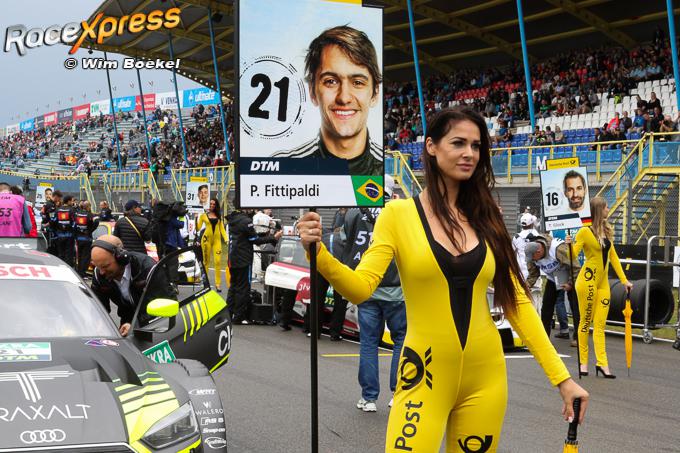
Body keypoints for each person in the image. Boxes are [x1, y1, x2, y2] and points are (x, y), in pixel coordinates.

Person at [297, 107, 588, 451]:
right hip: (423, 373)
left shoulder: (488, 216)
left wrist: (563, 379)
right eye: (458, 143)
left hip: (486, 379)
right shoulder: (397, 215)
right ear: (431, 146)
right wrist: (318, 254)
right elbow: (361, 289)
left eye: (476, 146)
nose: (469, 154)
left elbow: (518, 303)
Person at [272, 26, 383, 176]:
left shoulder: (390, 169)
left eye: (357, 82)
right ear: (312, 92)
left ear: (375, 93)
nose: (344, 98)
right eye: (331, 81)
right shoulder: (282, 168)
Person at [342, 176, 406, 413]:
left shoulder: (353, 213)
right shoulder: (399, 211)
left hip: (365, 284)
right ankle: (398, 393)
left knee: (369, 342)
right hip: (397, 287)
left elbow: (345, 241)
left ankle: (368, 397)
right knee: (401, 340)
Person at [568, 197, 632, 379]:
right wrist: (569, 244)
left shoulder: (606, 230)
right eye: (606, 207)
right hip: (587, 281)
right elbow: (572, 255)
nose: (608, 209)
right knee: (585, 322)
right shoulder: (584, 231)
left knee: (600, 325)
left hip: (603, 283)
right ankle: (583, 362)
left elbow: (613, 258)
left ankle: (602, 363)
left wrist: (624, 281)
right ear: (598, 210)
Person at [90, 235, 170, 336]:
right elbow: (98, 309)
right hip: (127, 324)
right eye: (98, 266)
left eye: (105, 266)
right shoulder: (99, 275)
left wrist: (135, 326)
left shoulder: (148, 269)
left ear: (121, 258)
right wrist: (97, 325)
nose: (101, 272)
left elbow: (164, 308)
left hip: (157, 326)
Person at [226, 209, 282, 324]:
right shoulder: (246, 221)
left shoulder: (232, 219)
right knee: (243, 288)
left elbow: (247, 238)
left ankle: (228, 313)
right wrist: (273, 237)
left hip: (233, 258)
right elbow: (255, 240)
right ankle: (239, 317)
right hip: (243, 260)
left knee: (233, 287)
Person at [525, 234, 581, 347]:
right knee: (546, 308)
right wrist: (525, 287)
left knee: (575, 307)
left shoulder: (557, 249)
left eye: (534, 258)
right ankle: (544, 338)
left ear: (539, 251)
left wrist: (570, 283)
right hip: (553, 278)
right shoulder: (532, 256)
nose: (533, 260)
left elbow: (575, 267)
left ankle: (578, 337)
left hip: (571, 275)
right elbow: (533, 275)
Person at [196, 198, 228, 292]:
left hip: (217, 241)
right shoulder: (203, 215)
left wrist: (226, 239)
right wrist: (196, 218)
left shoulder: (218, 216)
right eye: (210, 204)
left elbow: (222, 229)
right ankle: (205, 282)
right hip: (206, 240)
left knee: (217, 261)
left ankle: (218, 284)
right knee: (206, 262)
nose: (212, 206)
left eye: (214, 204)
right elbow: (198, 228)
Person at [512, 212, 541, 310]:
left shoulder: (516, 237)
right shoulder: (538, 236)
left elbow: (513, 253)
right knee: (535, 300)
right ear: (532, 223)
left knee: (522, 299)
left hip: (521, 272)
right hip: (535, 272)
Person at [73, 200, 99, 277]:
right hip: (87, 239)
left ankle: (78, 272)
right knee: (86, 257)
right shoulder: (90, 215)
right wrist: (91, 230)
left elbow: (74, 225)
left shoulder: (77, 214)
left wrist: (77, 233)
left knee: (79, 256)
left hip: (79, 238)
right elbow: (97, 221)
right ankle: (82, 273)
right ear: (89, 207)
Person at [52, 194, 76, 267]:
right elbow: (75, 222)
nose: (72, 202)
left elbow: (53, 221)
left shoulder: (58, 209)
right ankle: (68, 269)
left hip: (59, 236)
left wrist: (56, 231)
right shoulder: (72, 210)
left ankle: (60, 267)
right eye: (71, 201)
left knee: (61, 253)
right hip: (69, 236)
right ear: (68, 201)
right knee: (69, 254)